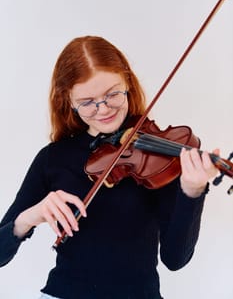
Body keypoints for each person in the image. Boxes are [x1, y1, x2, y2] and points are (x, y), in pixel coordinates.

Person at [0, 36, 219, 299]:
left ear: (127, 82)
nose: (103, 109)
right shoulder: (52, 159)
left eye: (112, 94)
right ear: (69, 101)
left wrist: (192, 192)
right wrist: (30, 217)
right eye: (87, 101)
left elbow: (175, 259)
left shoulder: (156, 156)